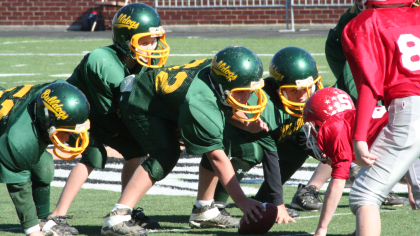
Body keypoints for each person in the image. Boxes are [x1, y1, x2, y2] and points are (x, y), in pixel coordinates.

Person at [101, 46, 273, 235]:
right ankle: (118, 216)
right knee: (166, 153)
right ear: (225, 84)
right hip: (140, 99)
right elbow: (215, 156)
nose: (247, 97)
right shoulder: (201, 102)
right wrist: (241, 200)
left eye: (250, 90)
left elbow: (223, 105)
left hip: (167, 99)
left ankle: (204, 210)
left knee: (220, 137)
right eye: (241, 92)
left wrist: (246, 124)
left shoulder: (217, 74)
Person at [50, 2, 170, 233]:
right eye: (144, 41)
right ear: (125, 39)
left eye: (154, 40)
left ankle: (125, 211)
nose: (152, 46)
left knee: (135, 150)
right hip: (77, 113)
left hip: (105, 111)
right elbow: (118, 110)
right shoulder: (102, 59)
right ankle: (56, 217)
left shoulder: (142, 61)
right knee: (92, 156)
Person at [289, 0, 409, 212]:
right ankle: (310, 189)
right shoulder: (366, 18)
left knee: (387, 120)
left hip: (375, 46)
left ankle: (373, 178)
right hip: (356, 46)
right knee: (353, 122)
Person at [209, 47, 324, 218]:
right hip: (234, 138)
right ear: (279, 88)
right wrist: (279, 203)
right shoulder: (266, 107)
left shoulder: (302, 101)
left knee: (296, 152)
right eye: (294, 90)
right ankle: (215, 204)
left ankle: (264, 200)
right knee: (252, 152)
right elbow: (269, 154)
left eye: (308, 88)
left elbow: (301, 135)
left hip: (269, 139)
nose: (303, 96)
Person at [341, 0, 420, 234]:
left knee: (365, 193)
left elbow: (369, 85)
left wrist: (359, 137)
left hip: (411, 106)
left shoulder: (365, 22)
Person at [0, 81, 90, 236]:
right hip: (8, 129)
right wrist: (33, 231)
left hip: (11, 112)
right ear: (48, 119)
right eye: (66, 131)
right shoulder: (19, 140)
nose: (69, 137)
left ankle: (42, 217)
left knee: (43, 167)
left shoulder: (52, 94)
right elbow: (20, 190)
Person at [301, 87, 392, 236]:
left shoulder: (334, 127)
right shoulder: (349, 120)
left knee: (363, 195)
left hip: (404, 136)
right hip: (406, 130)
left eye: (315, 126)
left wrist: (321, 228)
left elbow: (337, 183)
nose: (313, 132)